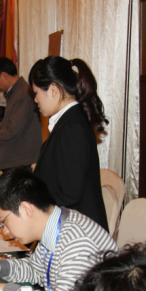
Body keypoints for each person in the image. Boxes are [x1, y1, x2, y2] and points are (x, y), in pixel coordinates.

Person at [29, 56, 109, 232]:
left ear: (53, 90)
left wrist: (33, 208)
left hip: (80, 234)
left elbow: (69, 194)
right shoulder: (69, 120)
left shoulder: (72, 127)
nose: (35, 99)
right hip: (72, 227)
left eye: (36, 92)